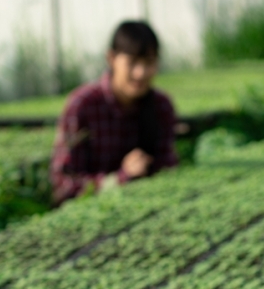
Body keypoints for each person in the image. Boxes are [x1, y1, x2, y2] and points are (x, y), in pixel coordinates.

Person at [50, 20, 178, 203]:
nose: (140, 73)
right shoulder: (83, 106)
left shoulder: (161, 106)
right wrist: (120, 179)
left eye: (149, 63)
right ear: (111, 58)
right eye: (132, 62)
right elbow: (63, 183)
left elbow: (168, 171)